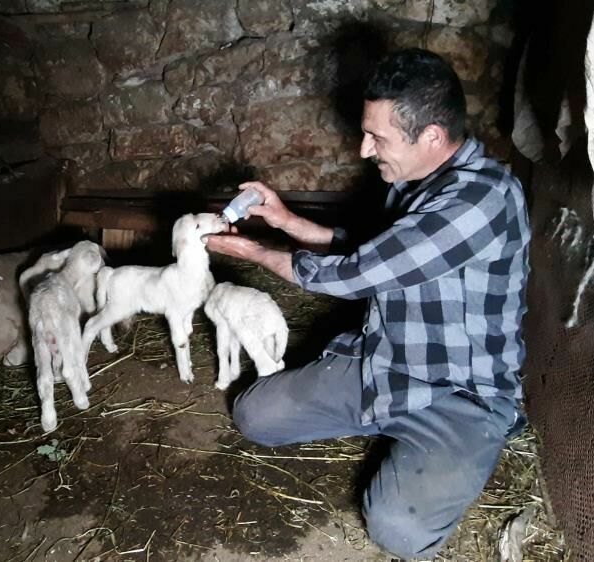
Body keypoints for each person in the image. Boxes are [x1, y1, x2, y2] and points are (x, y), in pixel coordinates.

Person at [204, 48, 531, 559]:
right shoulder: (414, 183)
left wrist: (254, 252)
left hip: (457, 393)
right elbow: (367, 247)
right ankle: (382, 422)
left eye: (376, 136)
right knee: (255, 417)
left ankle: (468, 440)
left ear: (431, 137)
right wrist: (287, 221)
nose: (362, 149)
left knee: (397, 530)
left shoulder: (479, 201)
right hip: (386, 362)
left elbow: (356, 273)